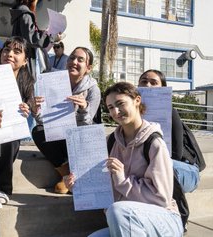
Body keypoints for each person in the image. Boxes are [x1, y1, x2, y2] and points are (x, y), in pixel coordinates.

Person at [65, 82, 183, 236]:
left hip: (163, 219)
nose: (116, 111)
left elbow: (161, 198)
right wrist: (78, 186)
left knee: (117, 210)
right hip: (126, 221)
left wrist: (122, 180)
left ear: (137, 100)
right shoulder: (110, 142)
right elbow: (99, 186)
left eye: (120, 104)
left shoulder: (154, 143)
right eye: (111, 107)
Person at [32, 47, 101, 194]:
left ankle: (78, 174)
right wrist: (37, 111)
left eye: (80, 60)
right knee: (38, 131)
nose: (74, 62)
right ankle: (66, 173)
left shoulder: (93, 90)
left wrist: (83, 108)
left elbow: (87, 124)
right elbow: (44, 121)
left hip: (80, 135)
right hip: (60, 132)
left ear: (88, 68)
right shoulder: (54, 83)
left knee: (91, 131)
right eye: (71, 58)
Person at [138, 69, 200, 194]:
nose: (148, 85)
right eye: (144, 82)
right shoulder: (132, 113)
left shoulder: (170, 112)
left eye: (153, 82)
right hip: (154, 164)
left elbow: (177, 152)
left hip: (182, 167)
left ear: (163, 87)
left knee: (154, 166)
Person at [0, 36, 34, 207]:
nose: (9, 54)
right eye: (6, 50)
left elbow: (32, 104)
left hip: (10, 132)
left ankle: (3, 188)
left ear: (25, 61)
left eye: (17, 51)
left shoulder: (27, 81)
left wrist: (27, 108)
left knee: (9, 139)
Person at [10, 0, 62, 78]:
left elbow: (27, 34)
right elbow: (32, 39)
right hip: (26, 63)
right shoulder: (25, 14)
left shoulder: (20, 11)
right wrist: (53, 37)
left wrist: (41, 33)